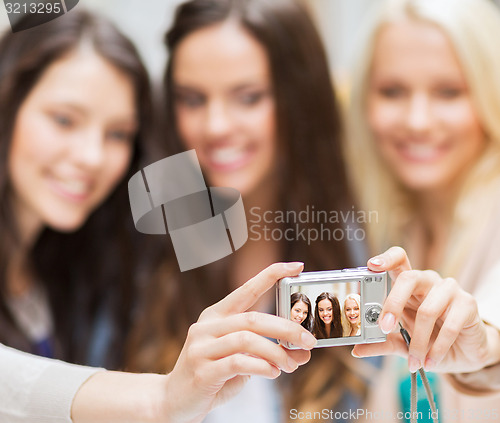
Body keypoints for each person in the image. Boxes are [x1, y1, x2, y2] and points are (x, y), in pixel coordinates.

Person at [0, 8, 315, 423]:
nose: (91, 157)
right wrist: (160, 398)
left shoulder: (76, 262)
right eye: (64, 120)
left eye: (118, 134)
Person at [126, 0, 370, 419]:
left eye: (249, 97)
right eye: (192, 99)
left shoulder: (358, 253)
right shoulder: (139, 252)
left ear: (302, 102)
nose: (216, 126)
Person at [345, 0, 500, 419]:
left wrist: (484, 343)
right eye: (392, 91)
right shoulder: (385, 229)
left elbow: (490, 331)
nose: (417, 120)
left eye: (449, 91)